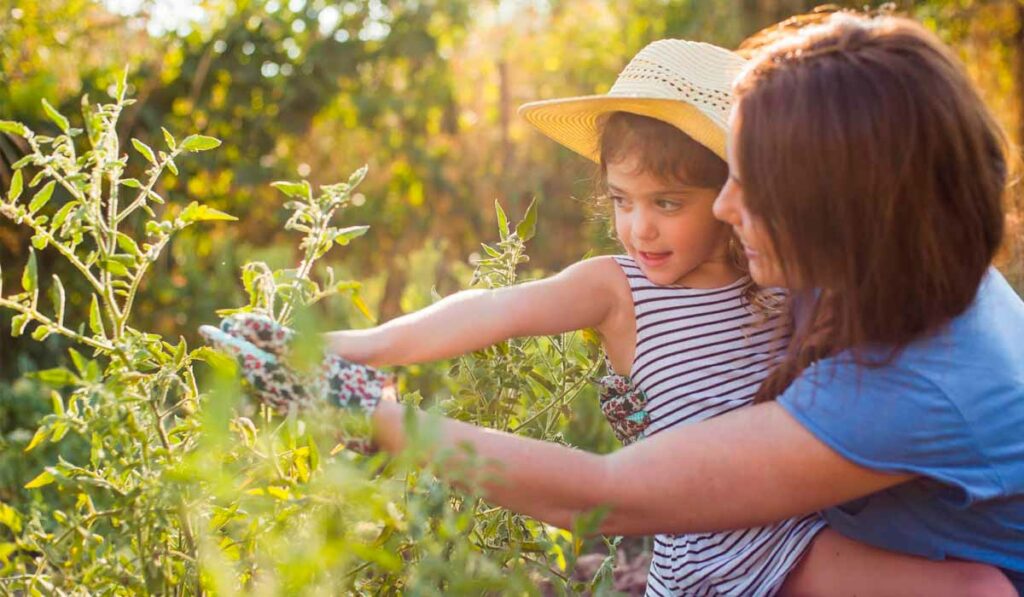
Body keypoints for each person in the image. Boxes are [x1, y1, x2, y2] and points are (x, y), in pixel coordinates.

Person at [203, 15, 1023, 596]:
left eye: (749, 186)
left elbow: (606, 492)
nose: (730, 210)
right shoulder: (882, 261)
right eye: (729, 173)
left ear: (840, 205)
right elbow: (493, 308)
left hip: (805, 548)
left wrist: (382, 418)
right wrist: (357, 343)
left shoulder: (915, 380)